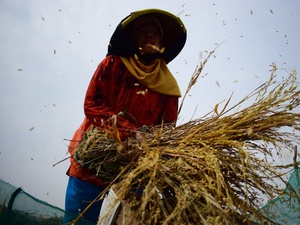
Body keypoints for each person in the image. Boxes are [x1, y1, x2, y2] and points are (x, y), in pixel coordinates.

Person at [63, 8, 187, 224]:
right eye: (143, 32)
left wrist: (150, 145)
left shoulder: (167, 86)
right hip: (94, 156)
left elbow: (166, 128)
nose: (149, 36)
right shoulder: (112, 65)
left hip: (136, 164)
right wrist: (129, 132)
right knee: (79, 220)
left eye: (155, 33)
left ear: (162, 43)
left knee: (135, 218)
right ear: (133, 40)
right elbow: (92, 104)